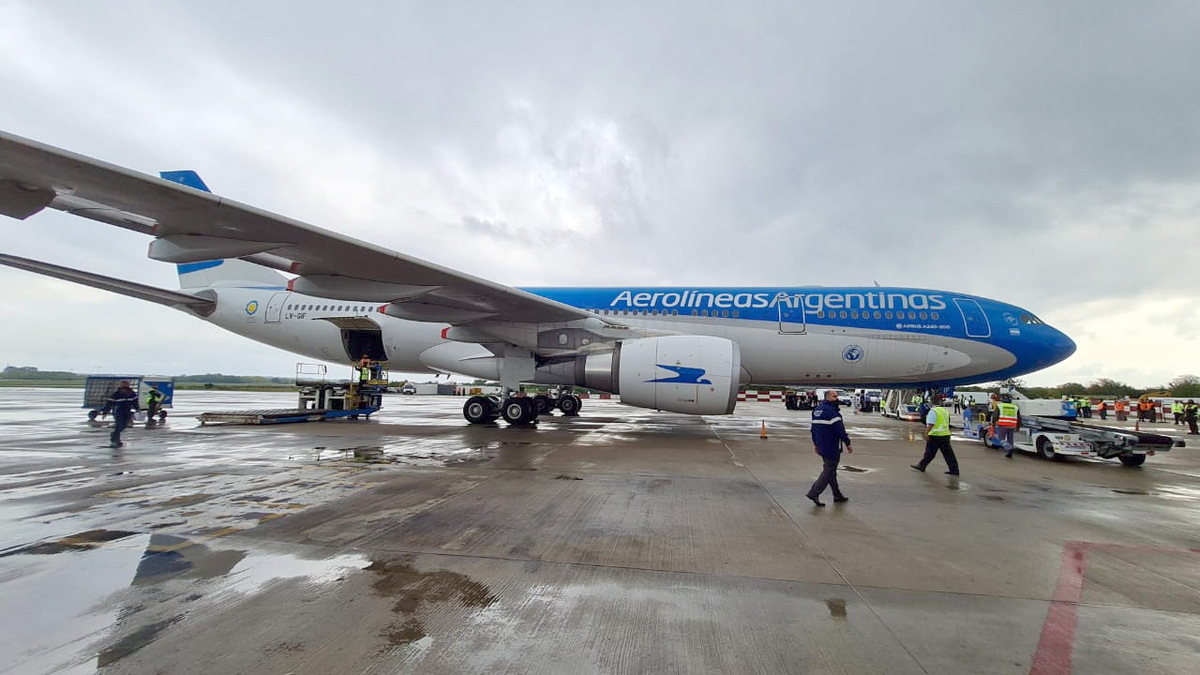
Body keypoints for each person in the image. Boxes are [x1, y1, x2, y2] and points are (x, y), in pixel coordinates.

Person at [806, 389, 852, 507]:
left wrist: (816, 444)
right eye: (834, 397)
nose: (837, 399)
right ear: (828, 398)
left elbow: (813, 429)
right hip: (832, 446)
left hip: (822, 445)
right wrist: (847, 442)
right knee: (829, 470)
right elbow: (840, 431)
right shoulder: (833, 412)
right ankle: (814, 493)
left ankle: (837, 495)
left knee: (831, 471)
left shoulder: (817, 410)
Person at [911, 394, 959, 475]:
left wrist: (926, 433)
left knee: (929, 453)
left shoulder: (933, 411)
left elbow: (931, 424)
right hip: (945, 435)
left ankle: (922, 466)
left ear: (931, 402)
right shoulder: (944, 411)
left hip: (935, 436)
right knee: (949, 454)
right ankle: (954, 470)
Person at [105, 380, 138, 448]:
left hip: (127, 412)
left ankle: (115, 436)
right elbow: (109, 403)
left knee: (124, 426)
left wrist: (137, 409)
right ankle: (115, 439)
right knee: (119, 425)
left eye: (126, 385)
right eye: (123, 385)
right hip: (118, 412)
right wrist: (105, 411)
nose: (125, 386)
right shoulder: (116, 394)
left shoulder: (132, 393)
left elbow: (135, 402)